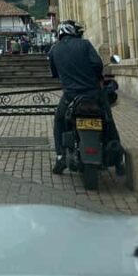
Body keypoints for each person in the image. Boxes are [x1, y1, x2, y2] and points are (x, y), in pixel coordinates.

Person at [49, 20, 123, 175]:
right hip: (93, 93)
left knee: (59, 121)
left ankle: (60, 156)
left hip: (70, 96)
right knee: (108, 121)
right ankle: (118, 161)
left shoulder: (54, 50)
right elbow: (97, 65)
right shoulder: (85, 44)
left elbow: (54, 73)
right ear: (73, 32)